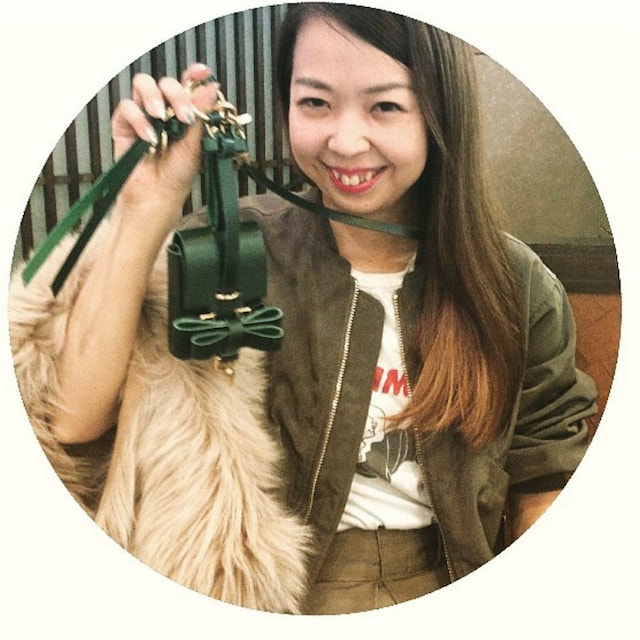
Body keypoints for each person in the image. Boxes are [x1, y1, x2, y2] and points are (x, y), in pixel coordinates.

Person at [9, 3, 597, 615]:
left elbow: (544, 477)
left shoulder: (514, 283)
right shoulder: (225, 254)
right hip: (261, 595)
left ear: (440, 114)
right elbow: (72, 422)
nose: (344, 141)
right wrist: (145, 207)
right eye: (315, 102)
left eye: (385, 107)